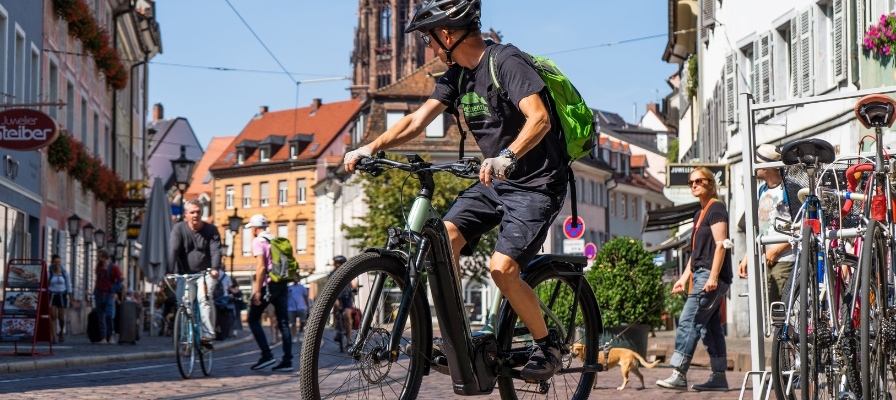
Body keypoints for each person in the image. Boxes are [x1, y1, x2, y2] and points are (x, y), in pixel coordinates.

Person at [343, 0, 569, 380]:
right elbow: (417, 120)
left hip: (536, 184)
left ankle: (548, 345)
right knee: (440, 242)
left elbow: (540, 118)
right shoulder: (456, 75)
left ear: (447, 35)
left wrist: (508, 155)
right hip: (494, 182)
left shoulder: (505, 62)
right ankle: (457, 338)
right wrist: (371, 146)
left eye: (429, 39)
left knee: (502, 270)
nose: (428, 47)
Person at [657, 167, 733, 391]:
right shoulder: (699, 214)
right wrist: (683, 278)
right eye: (691, 182)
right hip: (700, 273)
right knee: (709, 328)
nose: (694, 185)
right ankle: (719, 376)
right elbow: (696, 253)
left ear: (710, 183)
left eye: (699, 181)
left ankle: (679, 373)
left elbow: (721, 245)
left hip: (709, 276)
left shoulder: (716, 208)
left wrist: (713, 277)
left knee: (688, 321)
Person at [738, 144, 803, 304]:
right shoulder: (762, 190)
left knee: (780, 305)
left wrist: (776, 250)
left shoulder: (789, 189)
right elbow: (761, 226)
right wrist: (748, 254)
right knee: (768, 305)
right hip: (766, 259)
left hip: (785, 259)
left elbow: (801, 226)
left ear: (765, 167)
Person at [168, 198, 222, 349]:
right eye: (192, 212)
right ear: (186, 214)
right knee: (183, 303)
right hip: (185, 273)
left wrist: (215, 268)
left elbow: (216, 251)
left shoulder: (211, 230)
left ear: (202, 212)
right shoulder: (179, 229)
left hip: (206, 273)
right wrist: (169, 270)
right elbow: (173, 249)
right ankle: (186, 338)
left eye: (198, 212)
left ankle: (207, 334)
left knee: (204, 298)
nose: (195, 215)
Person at [245, 214, 293, 372]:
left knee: (252, 318)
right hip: (282, 283)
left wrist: (257, 291)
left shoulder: (258, 241)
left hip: (268, 285)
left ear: (254, 228)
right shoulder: (275, 239)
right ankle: (287, 361)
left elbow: (261, 267)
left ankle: (267, 355)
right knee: (284, 323)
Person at [93, 249, 122, 344]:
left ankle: (111, 336)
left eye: (99, 256)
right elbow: (97, 279)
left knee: (109, 315)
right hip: (99, 293)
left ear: (104, 257)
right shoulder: (99, 267)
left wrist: (115, 288)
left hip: (109, 294)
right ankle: (103, 338)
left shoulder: (113, 267)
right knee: (100, 317)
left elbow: (121, 278)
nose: (98, 258)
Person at [329, 256, 358, 344]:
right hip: (336, 295)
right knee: (336, 305)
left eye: (335, 263)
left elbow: (354, 283)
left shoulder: (348, 272)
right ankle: (335, 322)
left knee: (347, 315)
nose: (334, 264)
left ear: (340, 263)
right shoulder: (332, 273)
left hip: (346, 295)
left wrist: (354, 289)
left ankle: (349, 339)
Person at [47, 254, 72, 343]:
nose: (57, 263)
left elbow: (69, 285)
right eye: (55, 262)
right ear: (52, 262)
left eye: (59, 262)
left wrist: (71, 298)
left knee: (61, 317)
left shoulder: (64, 272)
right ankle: (53, 336)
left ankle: (61, 331)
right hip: (52, 295)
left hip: (62, 295)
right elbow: (46, 285)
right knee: (53, 316)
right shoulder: (49, 272)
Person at [287, 275, 309, 343]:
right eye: (294, 277)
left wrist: (307, 306)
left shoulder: (302, 287)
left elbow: (305, 297)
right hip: (291, 308)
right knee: (292, 323)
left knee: (303, 321)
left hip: (301, 306)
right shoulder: (289, 288)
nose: (295, 279)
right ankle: (294, 336)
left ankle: (300, 333)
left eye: (296, 277)